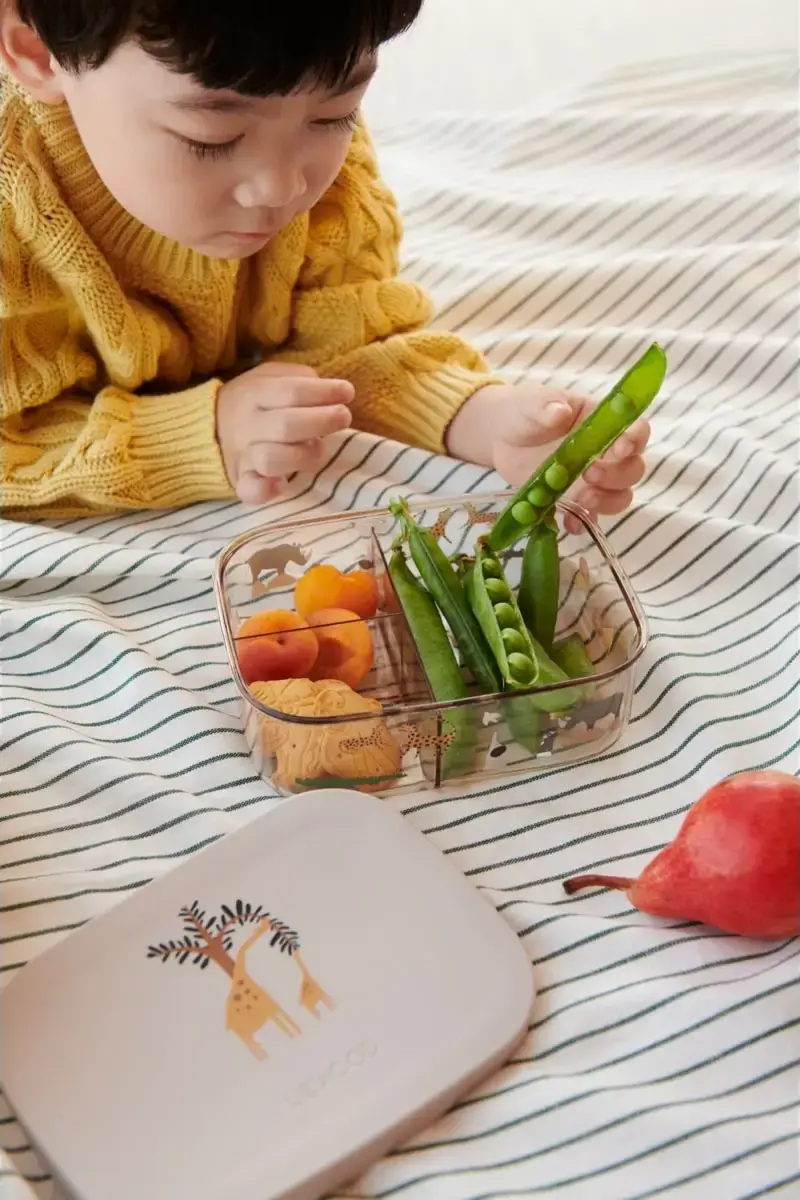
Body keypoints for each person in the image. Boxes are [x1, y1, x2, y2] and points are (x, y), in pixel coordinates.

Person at [0, 1, 649, 519]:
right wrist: (201, 435)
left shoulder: (302, 137)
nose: (281, 187)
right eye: (212, 139)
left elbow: (349, 339)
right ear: (35, 51)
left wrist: (485, 420)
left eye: (336, 115)